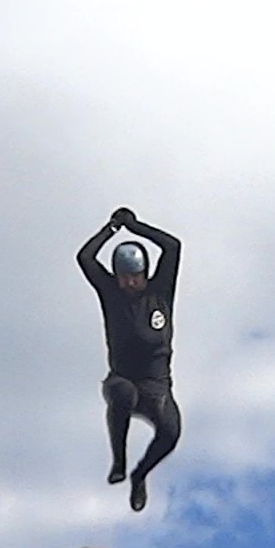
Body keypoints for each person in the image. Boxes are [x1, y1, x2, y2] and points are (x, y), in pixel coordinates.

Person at [77, 206, 182, 512]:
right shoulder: (111, 293)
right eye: (123, 278)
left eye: (134, 277)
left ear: (144, 274)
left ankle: (139, 476)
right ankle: (119, 462)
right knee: (122, 393)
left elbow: (173, 246)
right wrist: (111, 229)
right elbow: (84, 258)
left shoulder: (160, 293)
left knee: (171, 434)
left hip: (157, 385)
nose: (129, 284)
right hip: (122, 378)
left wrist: (135, 227)